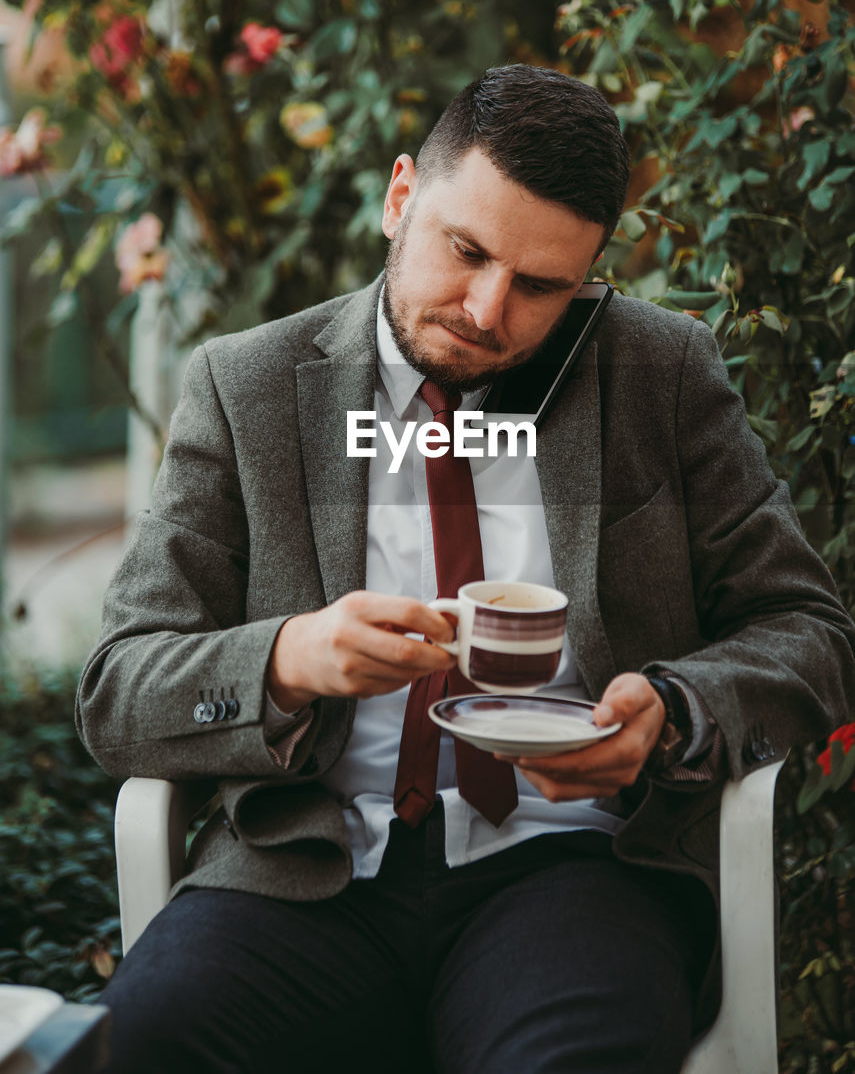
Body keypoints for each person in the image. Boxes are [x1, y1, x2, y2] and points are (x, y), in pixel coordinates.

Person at [77, 64, 855, 1074]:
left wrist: (672, 707)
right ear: (402, 197)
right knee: (135, 1044)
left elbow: (809, 628)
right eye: (468, 250)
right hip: (304, 868)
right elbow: (117, 688)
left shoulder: (660, 371)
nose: (490, 310)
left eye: (541, 285)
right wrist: (290, 656)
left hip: (574, 867)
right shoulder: (250, 384)